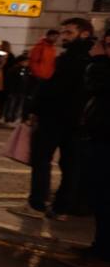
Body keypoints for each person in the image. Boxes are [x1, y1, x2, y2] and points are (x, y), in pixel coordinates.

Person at [21, 18, 95, 221]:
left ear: (84, 33)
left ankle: (38, 202)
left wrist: (34, 108)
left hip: (56, 117)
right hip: (75, 120)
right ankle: (62, 205)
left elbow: (51, 88)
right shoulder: (89, 58)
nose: (64, 36)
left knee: (43, 159)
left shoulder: (72, 59)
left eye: (69, 32)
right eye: (63, 32)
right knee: (70, 164)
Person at [80, 25, 110, 262]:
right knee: (98, 195)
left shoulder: (103, 68)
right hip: (99, 137)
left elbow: (97, 85)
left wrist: (99, 60)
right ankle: (99, 245)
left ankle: (103, 250)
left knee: (104, 195)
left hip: (106, 141)